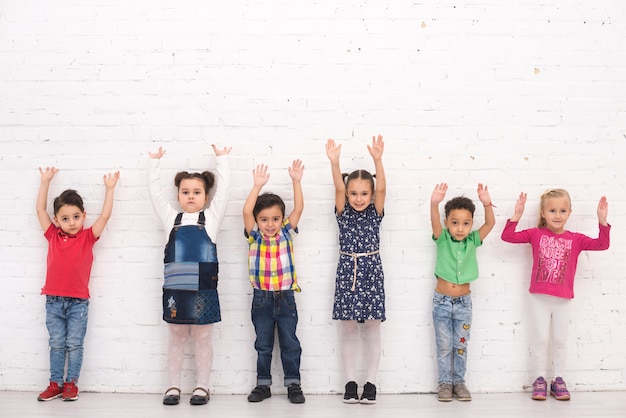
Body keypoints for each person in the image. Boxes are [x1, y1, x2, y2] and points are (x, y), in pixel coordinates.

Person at [501, 189, 610, 401]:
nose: (557, 215)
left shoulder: (576, 239)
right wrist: (517, 213)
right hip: (539, 297)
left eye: (562, 210)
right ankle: (539, 379)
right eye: (552, 210)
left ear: (569, 213)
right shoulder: (535, 234)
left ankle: (558, 380)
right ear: (543, 213)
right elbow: (507, 237)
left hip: (563, 298)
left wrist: (602, 220)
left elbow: (602, 244)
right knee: (541, 338)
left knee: (560, 340)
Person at [148, 144, 231, 406]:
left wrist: (223, 159)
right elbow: (155, 195)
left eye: (197, 192)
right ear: (178, 195)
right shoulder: (171, 219)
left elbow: (225, 191)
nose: (191, 196)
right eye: (185, 192)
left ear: (206, 197)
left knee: (203, 338)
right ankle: (172, 386)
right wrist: (154, 164)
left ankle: (202, 386)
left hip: (204, 290)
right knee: (177, 337)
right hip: (175, 291)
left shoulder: (211, 220)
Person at [36, 167, 120, 402]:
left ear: (83, 215)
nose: (71, 223)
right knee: (56, 344)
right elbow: (40, 209)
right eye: (65, 218)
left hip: (78, 303)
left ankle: (71, 383)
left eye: (76, 217)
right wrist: (45, 182)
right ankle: (56, 383)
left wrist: (110, 189)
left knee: (74, 344)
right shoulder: (52, 235)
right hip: (53, 300)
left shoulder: (87, 237)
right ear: (56, 220)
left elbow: (104, 217)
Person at [325, 136, 386, 404]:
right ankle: (350, 382)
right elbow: (338, 189)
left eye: (364, 193)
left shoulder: (376, 211)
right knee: (348, 328)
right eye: (353, 193)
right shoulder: (343, 212)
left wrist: (378, 160)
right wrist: (335, 163)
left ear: (370, 195)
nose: (358, 198)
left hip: (371, 270)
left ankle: (370, 382)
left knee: (372, 328)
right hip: (347, 270)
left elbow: (383, 189)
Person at [243, 160, 306, 404]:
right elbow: (246, 212)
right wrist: (256, 186)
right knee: (263, 344)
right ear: (258, 222)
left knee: (290, 343)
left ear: (282, 220)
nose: (270, 224)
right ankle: (263, 384)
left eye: (275, 219)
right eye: (265, 219)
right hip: (262, 298)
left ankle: (293, 383)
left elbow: (299, 209)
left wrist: (296, 182)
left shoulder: (286, 232)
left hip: (286, 297)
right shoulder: (255, 236)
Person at [430, 182, 495, 402]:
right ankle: (444, 384)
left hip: (463, 304)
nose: (460, 228)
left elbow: (490, 223)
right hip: (442, 302)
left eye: (465, 224)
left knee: (460, 345)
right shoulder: (442, 238)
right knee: (444, 346)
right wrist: (434, 203)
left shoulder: (473, 240)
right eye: (455, 223)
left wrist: (487, 203)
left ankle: (459, 383)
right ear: (447, 222)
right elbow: (434, 222)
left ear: (471, 225)